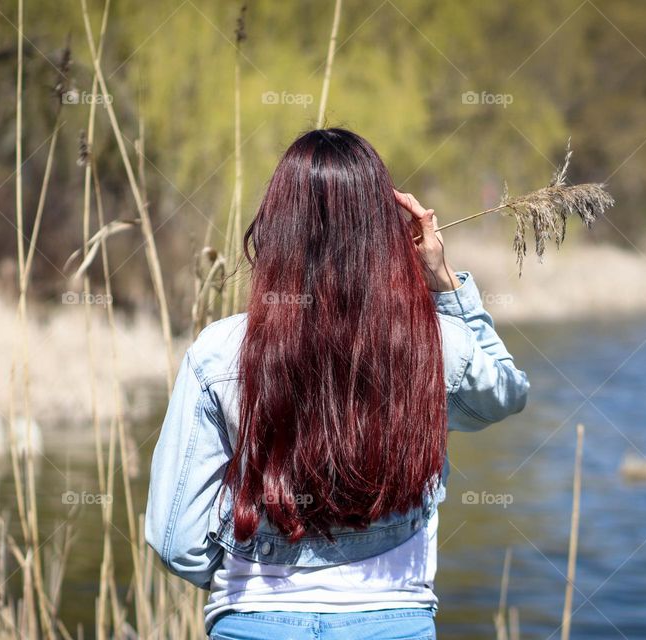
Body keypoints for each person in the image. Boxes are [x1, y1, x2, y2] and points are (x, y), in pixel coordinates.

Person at [146, 128, 529, 640]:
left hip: (255, 624)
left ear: (275, 229)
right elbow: (506, 393)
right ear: (386, 232)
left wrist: (252, 570)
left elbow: (177, 542)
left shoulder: (219, 352)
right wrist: (443, 280)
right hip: (393, 623)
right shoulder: (431, 345)